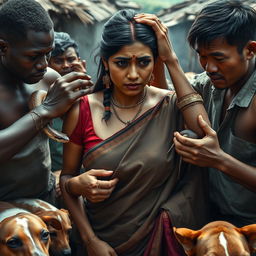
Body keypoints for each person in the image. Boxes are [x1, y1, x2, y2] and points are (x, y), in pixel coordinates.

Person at [60, 9, 211, 256]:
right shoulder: (82, 109)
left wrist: (171, 58)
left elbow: (205, 135)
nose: (133, 74)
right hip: (100, 243)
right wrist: (90, 240)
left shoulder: (168, 105)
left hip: (158, 241)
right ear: (106, 63)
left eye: (143, 62)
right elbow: (66, 179)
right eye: (121, 63)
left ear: (155, 60)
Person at [0, 0, 92, 205]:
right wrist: (45, 111)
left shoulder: (48, 79)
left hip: (47, 196)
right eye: (33, 56)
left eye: (47, 53)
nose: (43, 65)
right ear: (3, 47)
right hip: (5, 210)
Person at [174, 0, 256, 227]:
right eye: (202, 56)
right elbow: (171, 102)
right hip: (211, 218)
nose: (209, 67)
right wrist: (169, 61)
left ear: (250, 50)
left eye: (219, 58)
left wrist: (219, 160)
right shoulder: (207, 84)